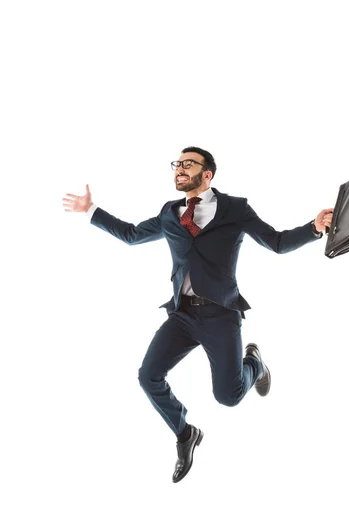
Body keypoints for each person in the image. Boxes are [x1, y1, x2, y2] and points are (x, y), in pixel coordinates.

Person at [62, 146, 333, 483]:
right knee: (148, 376)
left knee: (229, 397)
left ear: (207, 175)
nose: (179, 168)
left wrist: (314, 227)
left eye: (188, 164)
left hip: (221, 315)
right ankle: (185, 434)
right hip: (182, 316)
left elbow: (276, 242)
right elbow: (132, 235)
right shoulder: (170, 212)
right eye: (177, 163)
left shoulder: (235, 209)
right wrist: (92, 211)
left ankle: (256, 364)